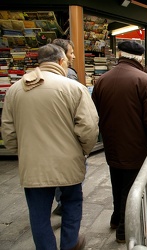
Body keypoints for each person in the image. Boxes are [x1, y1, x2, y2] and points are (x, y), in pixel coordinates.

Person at [1, 44, 99, 250]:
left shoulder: (15, 90)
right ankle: (70, 245)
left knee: (38, 215)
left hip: (33, 164)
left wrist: (23, 152)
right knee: (72, 204)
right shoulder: (74, 88)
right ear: (61, 61)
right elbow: (89, 127)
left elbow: (8, 132)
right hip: (68, 162)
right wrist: (83, 151)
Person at [91, 41, 147, 243]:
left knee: (117, 180)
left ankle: (116, 218)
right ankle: (124, 230)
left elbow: (95, 111)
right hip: (136, 144)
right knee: (131, 188)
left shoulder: (102, 80)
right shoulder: (146, 80)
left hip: (111, 142)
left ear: (119, 55)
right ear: (140, 58)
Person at [51, 38, 79, 216]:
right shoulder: (69, 78)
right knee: (71, 192)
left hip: (44, 146)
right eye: (71, 53)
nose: (73, 56)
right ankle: (64, 205)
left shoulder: (23, 84)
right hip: (67, 141)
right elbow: (83, 118)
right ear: (62, 57)